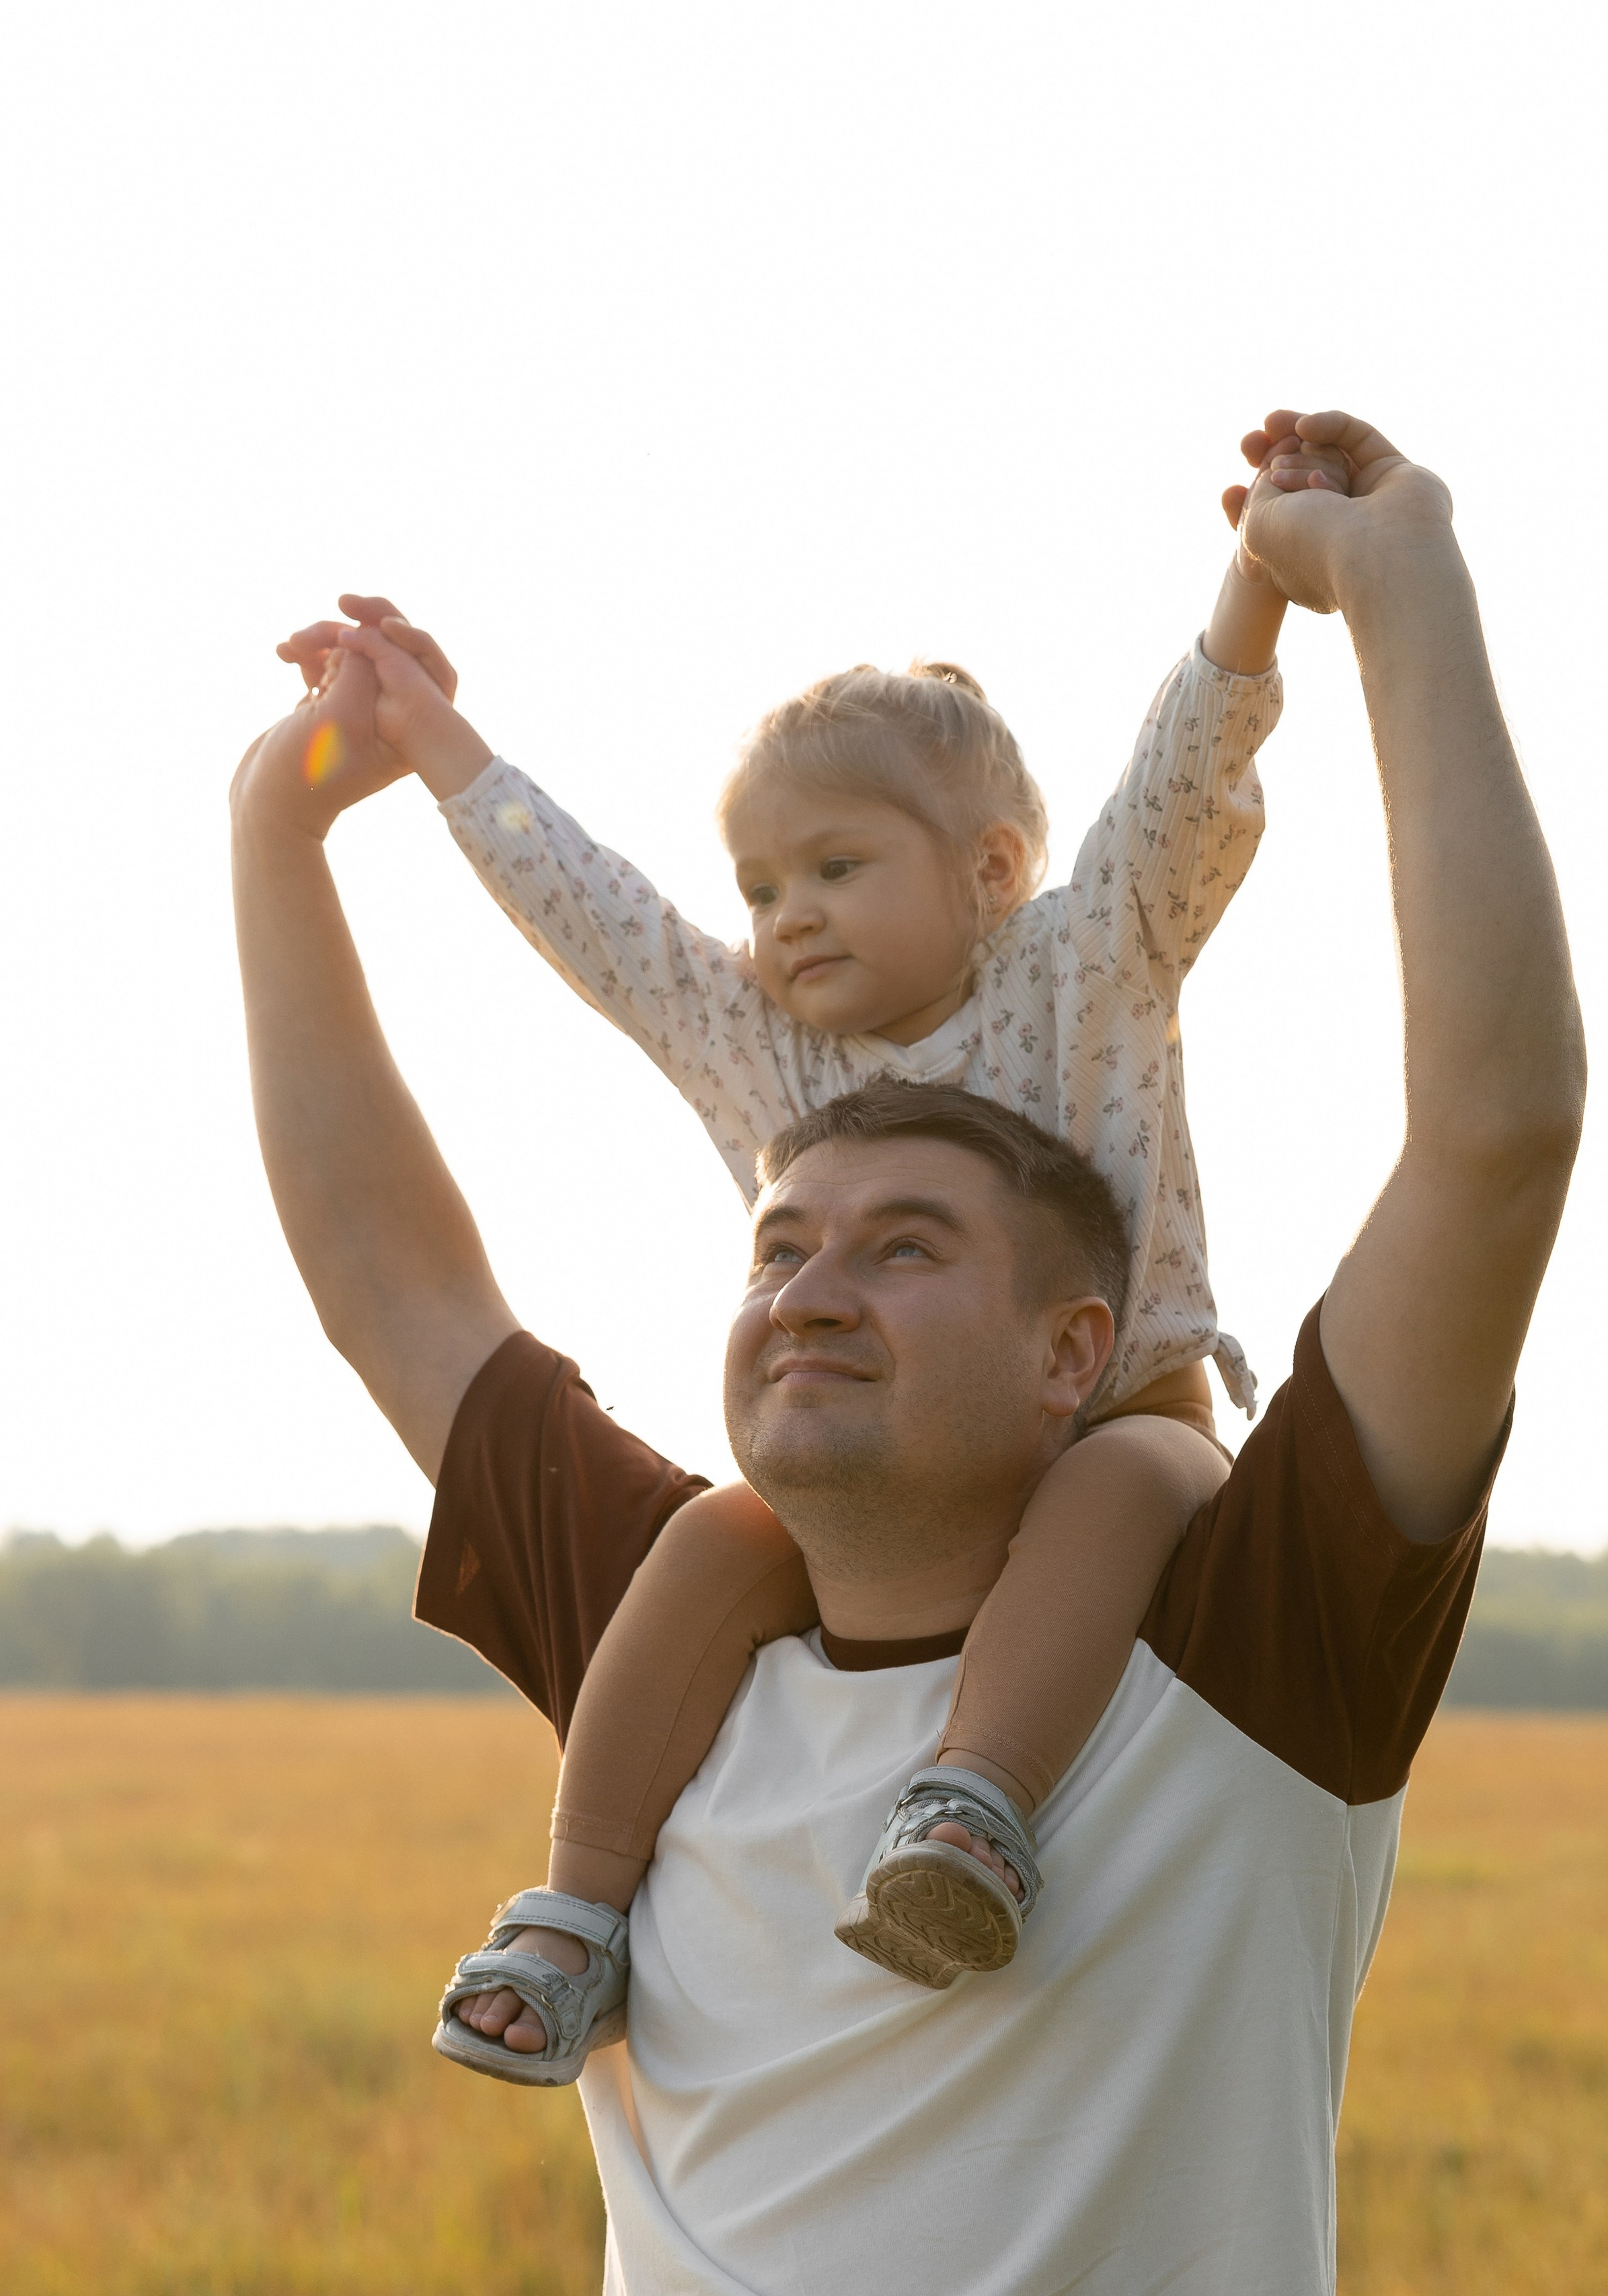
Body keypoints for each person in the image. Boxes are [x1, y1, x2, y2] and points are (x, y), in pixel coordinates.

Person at [231, 408, 1584, 2296]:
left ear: (1070, 1340)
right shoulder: (673, 1630)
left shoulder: (1247, 1643)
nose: (808, 1283)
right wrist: (280, 832)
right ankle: (563, 1920)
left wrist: (1385, 582)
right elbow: (385, 1266)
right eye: (778, 1243)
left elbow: (1497, 1134)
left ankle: (975, 1811)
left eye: (907, 1245)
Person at [272, 414, 1351, 2007]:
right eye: (761, 886)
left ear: (991, 869)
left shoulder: (1087, 959)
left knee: (1115, 1491)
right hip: (872, 1472)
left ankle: (968, 1812)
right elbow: (597, 915)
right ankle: (575, 1911)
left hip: (1118, 1409)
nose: (787, 917)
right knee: (711, 1541)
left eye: (836, 867)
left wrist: (1253, 577)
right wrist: (438, 739)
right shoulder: (759, 1044)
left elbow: (1183, 780)